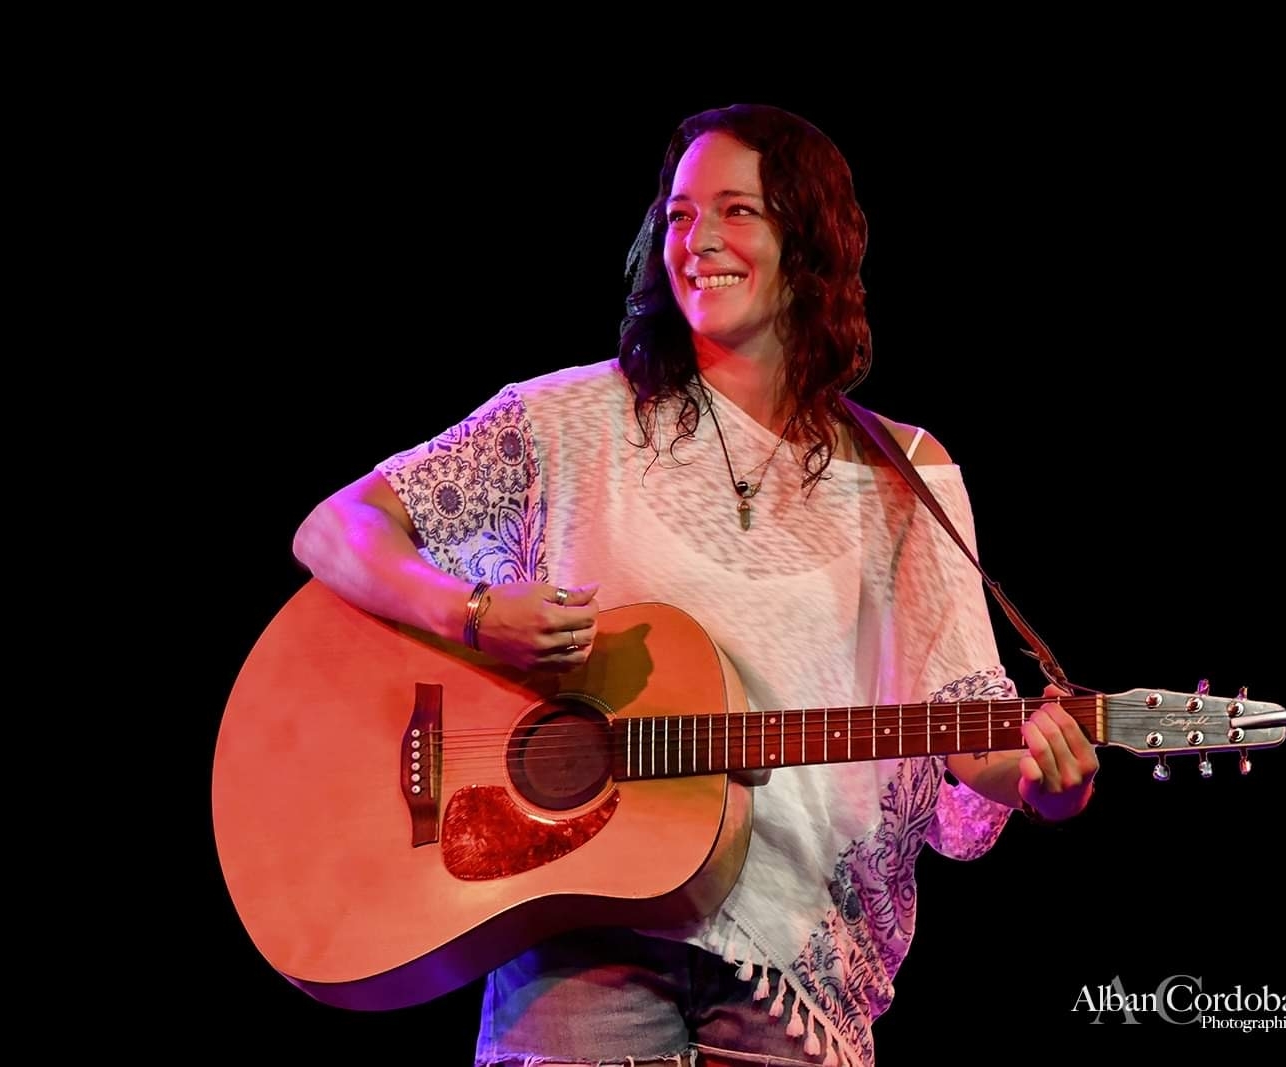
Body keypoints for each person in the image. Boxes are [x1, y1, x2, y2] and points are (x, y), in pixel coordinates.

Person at [290, 102, 1099, 1067]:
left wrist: (1042, 780)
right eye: (678, 214)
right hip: (579, 936)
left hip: (796, 961)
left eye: (737, 211)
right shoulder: (567, 422)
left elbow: (964, 719)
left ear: (808, 242)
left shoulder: (903, 472)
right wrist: (472, 615)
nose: (698, 239)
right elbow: (335, 528)